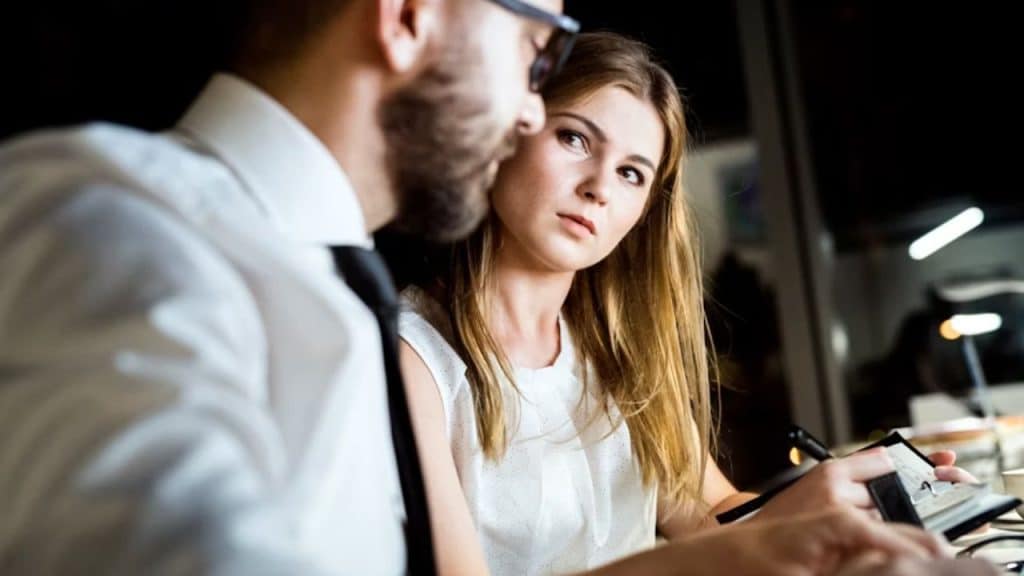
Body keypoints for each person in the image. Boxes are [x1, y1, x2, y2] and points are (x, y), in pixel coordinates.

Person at [0, 0, 576, 572]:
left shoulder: (342, 290)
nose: (530, 113)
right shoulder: (106, 226)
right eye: (532, 47)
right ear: (406, 18)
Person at [398, 31, 979, 575]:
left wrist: (841, 520)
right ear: (513, 129)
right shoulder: (413, 357)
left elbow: (709, 512)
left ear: (643, 211)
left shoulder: (614, 353)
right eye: (574, 138)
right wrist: (781, 528)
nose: (599, 186)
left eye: (631, 173)